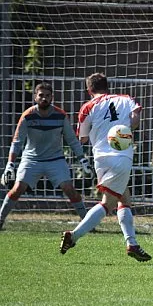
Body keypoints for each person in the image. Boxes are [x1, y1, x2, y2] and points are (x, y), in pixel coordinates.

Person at [59, 72, 151, 262]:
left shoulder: (87, 107)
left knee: (123, 198)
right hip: (121, 157)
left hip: (100, 158)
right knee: (107, 203)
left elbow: (82, 138)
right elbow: (135, 120)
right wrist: (123, 131)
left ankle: (132, 243)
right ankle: (73, 235)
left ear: (89, 90)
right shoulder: (126, 99)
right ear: (107, 86)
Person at [0, 82, 92, 230]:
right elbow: (17, 142)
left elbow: (72, 140)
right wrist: (10, 164)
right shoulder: (27, 116)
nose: (44, 98)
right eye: (41, 95)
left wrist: (83, 159)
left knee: (69, 188)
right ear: (35, 97)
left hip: (55, 160)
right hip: (31, 159)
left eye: (47, 96)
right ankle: (0, 219)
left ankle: (88, 224)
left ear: (52, 97)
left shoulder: (61, 116)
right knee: (17, 188)